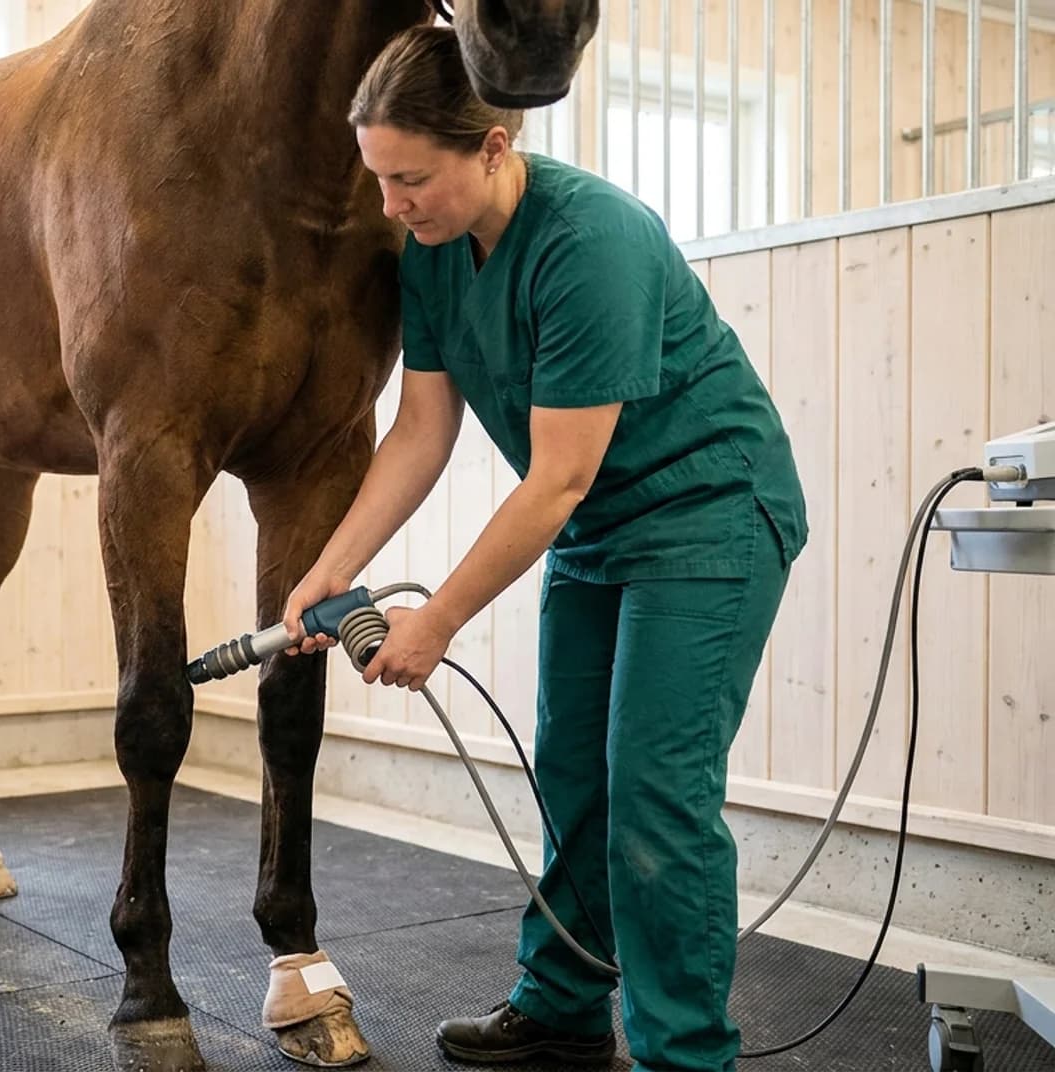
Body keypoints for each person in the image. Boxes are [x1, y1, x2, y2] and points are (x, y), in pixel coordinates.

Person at [280, 24, 809, 1072]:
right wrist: (330, 567)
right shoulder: (432, 255)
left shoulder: (591, 241)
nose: (391, 205)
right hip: (601, 526)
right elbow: (420, 433)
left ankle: (684, 1054)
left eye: (410, 178)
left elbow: (556, 475)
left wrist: (435, 620)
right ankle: (566, 1009)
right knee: (573, 773)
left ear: (492, 144)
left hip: (707, 512)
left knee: (655, 791)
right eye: (378, 178)